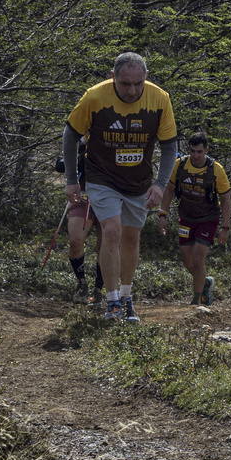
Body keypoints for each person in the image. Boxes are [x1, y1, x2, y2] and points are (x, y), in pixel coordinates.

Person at [63, 51, 177, 323]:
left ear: (146, 77)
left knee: (131, 238)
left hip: (138, 181)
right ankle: (112, 300)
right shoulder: (94, 97)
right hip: (102, 177)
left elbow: (169, 145)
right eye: (125, 83)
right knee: (112, 231)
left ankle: (127, 298)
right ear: (113, 77)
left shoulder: (160, 99)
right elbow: (71, 134)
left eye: (138, 83)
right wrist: (71, 179)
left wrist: (160, 185)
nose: (132, 90)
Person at [161, 131, 231, 305]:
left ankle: (196, 301)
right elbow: (169, 189)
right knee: (188, 261)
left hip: (208, 218)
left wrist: (225, 227)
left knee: (198, 259)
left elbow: (225, 199)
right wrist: (163, 214)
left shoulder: (216, 169)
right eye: (192, 151)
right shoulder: (180, 165)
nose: (196, 155)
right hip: (186, 217)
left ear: (206, 150)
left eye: (199, 151)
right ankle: (205, 282)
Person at [55, 143, 104, 305]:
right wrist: (77, 161)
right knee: (75, 240)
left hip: (107, 199)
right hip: (82, 198)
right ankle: (81, 283)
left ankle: (99, 289)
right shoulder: (79, 142)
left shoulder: (112, 139)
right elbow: (61, 162)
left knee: (106, 245)